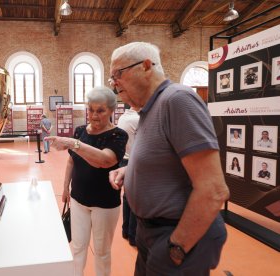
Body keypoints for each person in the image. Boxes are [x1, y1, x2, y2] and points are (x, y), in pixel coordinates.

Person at [108, 42, 230, 275]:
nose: (114, 84)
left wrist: (177, 247)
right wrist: (130, 171)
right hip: (151, 233)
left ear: (146, 66)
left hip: (175, 234)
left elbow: (214, 189)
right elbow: (163, 158)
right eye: (111, 78)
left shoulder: (177, 100)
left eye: (118, 74)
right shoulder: (150, 108)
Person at [45, 86, 128, 276]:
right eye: (90, 109)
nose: (94, 115)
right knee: (77, 247)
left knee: (101, 252)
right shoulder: (80, 130)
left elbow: (105, 161)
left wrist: (74, 144)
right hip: (78, 199)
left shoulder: (118, 135)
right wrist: (65, 187)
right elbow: (71, 160)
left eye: (100, 110)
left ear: (111, 110)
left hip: (105, 203)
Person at [117, 103, 139, 247]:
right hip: (133, 161)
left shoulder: (122, 117)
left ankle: (126, 230)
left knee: (127, 197)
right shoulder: (138, 119)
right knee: (135, 199)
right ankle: (133, 236)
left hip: (123, 160)